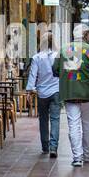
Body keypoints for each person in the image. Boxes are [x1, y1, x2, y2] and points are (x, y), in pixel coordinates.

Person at [52, 35, 89, 166]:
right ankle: (88, 154)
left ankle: (77, 157)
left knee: (73, 125)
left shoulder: (63, 49)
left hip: (70, 92)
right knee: (88, 125)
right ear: (87, 36)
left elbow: (55, 69)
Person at [25, 30, 60, 159]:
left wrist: (29, 91)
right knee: (55, 119)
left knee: (43, 120)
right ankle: (53, 147)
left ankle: (45, 147)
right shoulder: (59, 56)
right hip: (56, 91)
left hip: (42, 93)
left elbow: (33, 75)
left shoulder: (37, 57)